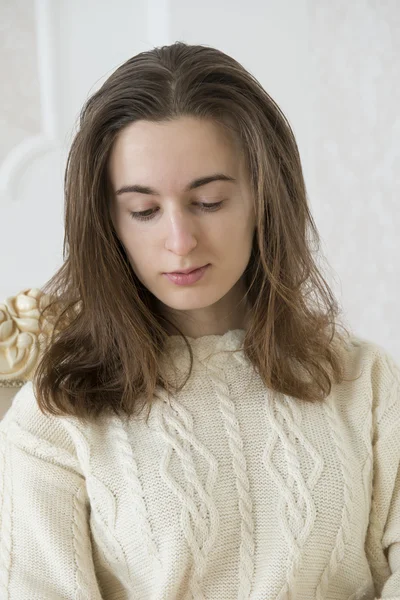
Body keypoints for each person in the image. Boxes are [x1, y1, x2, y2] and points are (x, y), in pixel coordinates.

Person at [0, 42, 399, 600]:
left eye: (209, 201)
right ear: (107, 221)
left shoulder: (368, 382)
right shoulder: (55, 419)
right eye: (144, 211)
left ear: (265, 197)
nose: (181, 242)